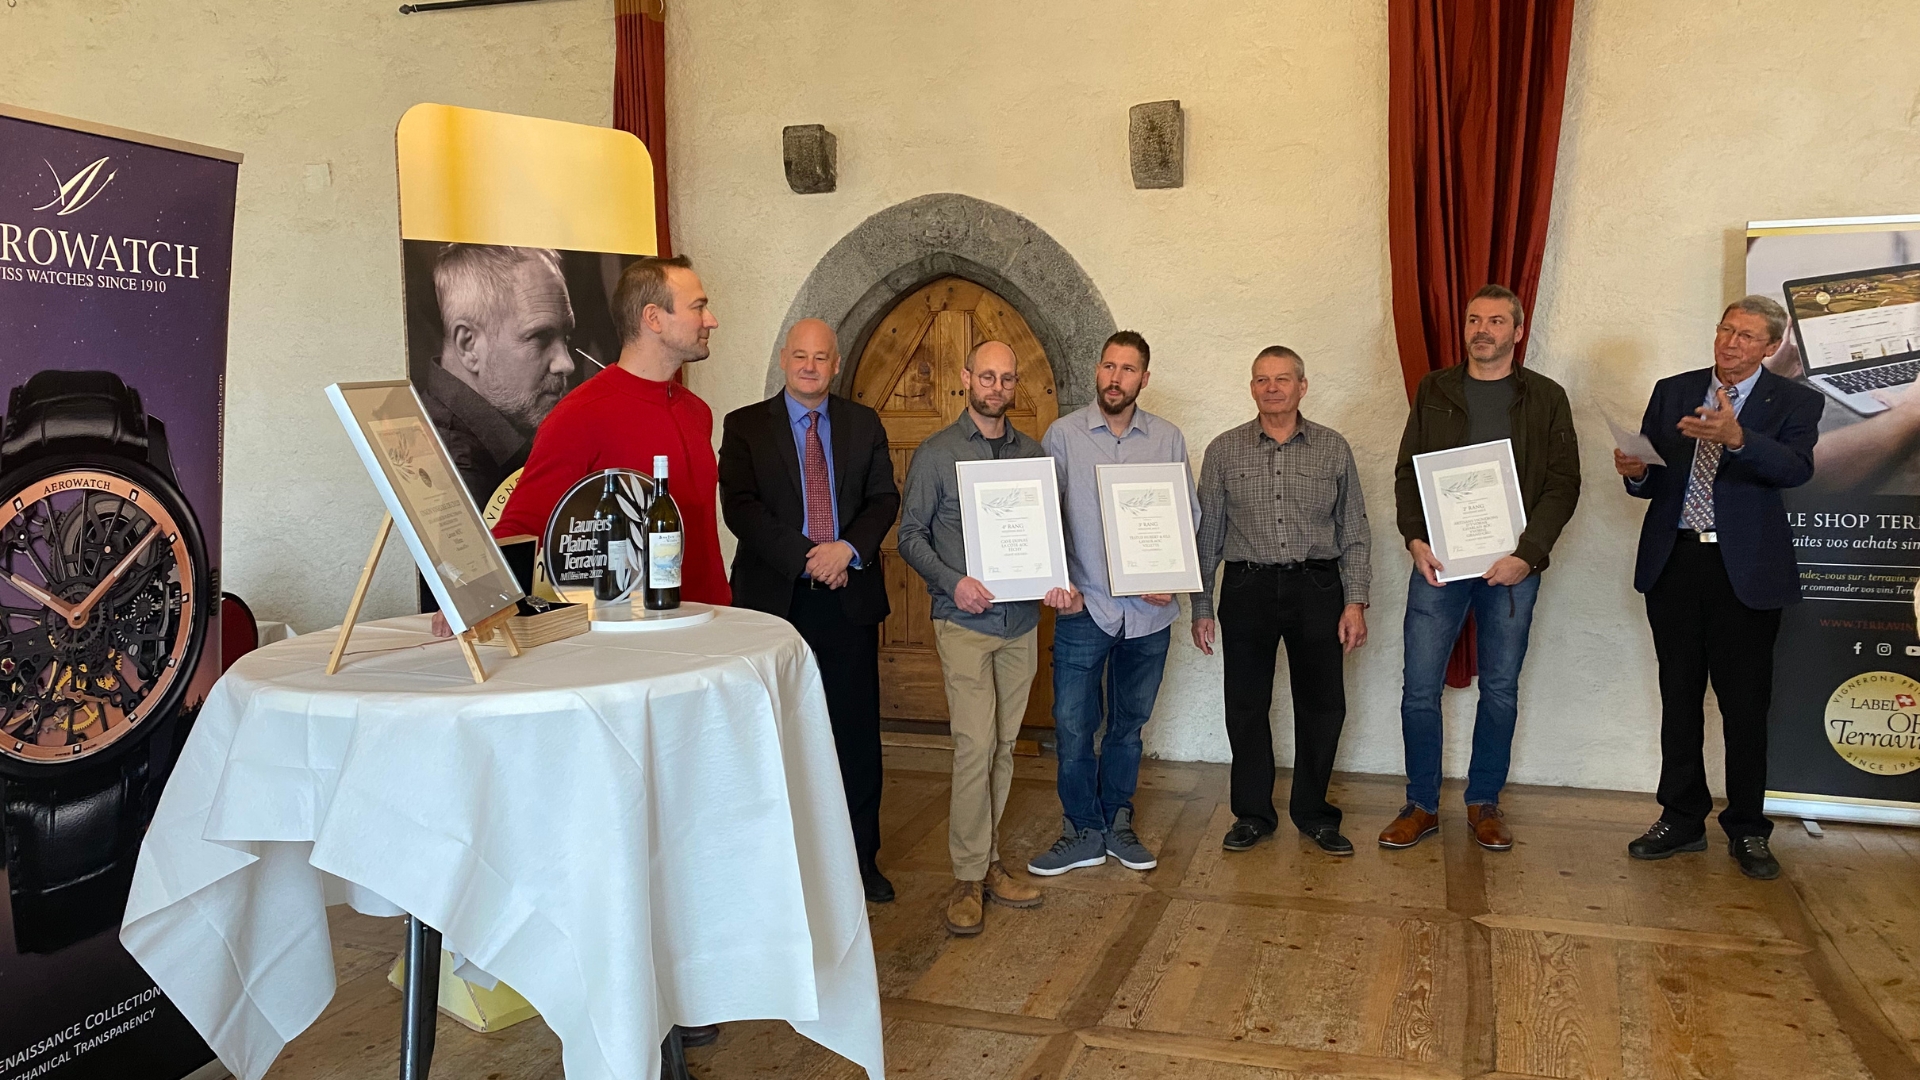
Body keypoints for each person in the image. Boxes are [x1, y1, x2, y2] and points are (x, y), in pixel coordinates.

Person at [1615, 296, 1822, 880]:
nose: (1730, 343)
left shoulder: (1797, 400)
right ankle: (1680, 819)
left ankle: (1749, 829)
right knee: (1678, 697)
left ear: (1771, 347)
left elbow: (1795, 469)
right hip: (1675, 563)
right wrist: (1637, 475)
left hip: (1746, 573)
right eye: (1725, 330)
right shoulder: (1675, 389)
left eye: (1747, 335)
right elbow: (1659, 477)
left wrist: (1737, 437)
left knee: (1745, 705)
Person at [1382, 284, 1580, 853]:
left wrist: (1528, 554)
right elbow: (1407, 472)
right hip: (1439, 563)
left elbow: (1564, 483)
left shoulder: (1546, 397)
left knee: (1499, 688)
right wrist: (1414, 538)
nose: (1483, 330)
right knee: (1419, 689)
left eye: (1496, 321)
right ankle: (1420, 804)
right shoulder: (1435, 389)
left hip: (1513, 567)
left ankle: (1483, 802)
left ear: (1518, 331)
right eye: (1474, 320)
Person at [897, 339, 1078, 936]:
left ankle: (990, 861)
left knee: (1003, 747)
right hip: (966, 623)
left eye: (1006, 379)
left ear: (1014, 384)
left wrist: (1058, 585)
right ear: (967, 378)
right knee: (975, 746)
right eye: (987, 376)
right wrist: (955, 582)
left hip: (1021, 625)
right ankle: (967, 878)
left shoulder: (1032, 456)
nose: (996, 387)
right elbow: (910, 537)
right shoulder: (936, 454)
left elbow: (1048, 538)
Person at [719, 318, 901, 903]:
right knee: (774, 735)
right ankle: (782, 865)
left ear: (837, 363)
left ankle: (860, 862)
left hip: (846, 601)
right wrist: (806, 556)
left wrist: (844, 550)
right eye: (799, 355)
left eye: (820, 357)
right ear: (783, 359)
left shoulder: (862, 424)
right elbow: (741, 509)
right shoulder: (745, 426)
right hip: (776, 603)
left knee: (853, 736)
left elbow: (883, 499)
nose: (809, 366)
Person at [1026, 331, 1195, 878]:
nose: (1116, 378)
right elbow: (1042, 518)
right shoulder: (1064, 435)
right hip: (1085, 608)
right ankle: (1081, 830)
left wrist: (1172, 577)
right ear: (1097, 372)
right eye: (1108, 366)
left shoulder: (1167, 439)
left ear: (1144, 379)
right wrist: (1055, 580)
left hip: (1149, 615)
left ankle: (1118, 822)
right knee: (1073, 727)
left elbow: (1185, 519)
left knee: (1128, 726)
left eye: (1128, 369)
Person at [1191, 347, 1372, 856]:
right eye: (1262, 380)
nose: (1272, 388)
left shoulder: (1333, 449)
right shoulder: (1224, 450)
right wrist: (1201, 606)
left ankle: (1315, 814)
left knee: (1323, 706)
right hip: (1246, 589)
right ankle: (1252, 814)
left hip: (1317, 588)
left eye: (1283, 379)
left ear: (1302, 386)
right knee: (1245, 706)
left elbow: (1354, 529)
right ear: (1251, 388)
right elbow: (1208, 538)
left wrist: (1355, 600)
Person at [490, 255, 730, 606]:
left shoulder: (697, 412)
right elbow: (522, 525)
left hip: (711, 619)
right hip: (635, 635)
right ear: (653, 318)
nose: (711, 320)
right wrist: (472, 602)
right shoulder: (580, 416)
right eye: (698, 307)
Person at [416, 244, 578, 506]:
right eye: (540, 338)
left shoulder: (511, 437)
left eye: (566, 338)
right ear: (468, 345)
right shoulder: (457, 474)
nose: (566, 363)